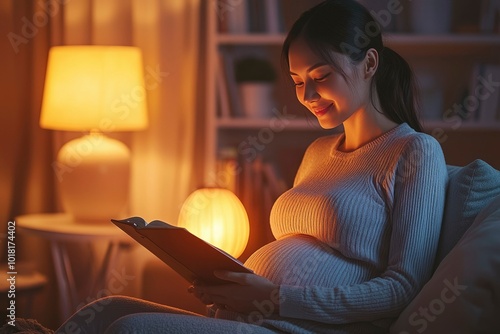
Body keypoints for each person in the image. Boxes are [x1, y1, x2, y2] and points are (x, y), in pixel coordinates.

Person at [56, 0, 447, 333]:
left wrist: (274, 297)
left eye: (321, 76)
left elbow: (403, 288)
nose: (307, 95)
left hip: (296, 325)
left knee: (129, 329)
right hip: (255, 317)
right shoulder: (318, 152)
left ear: (370, 63)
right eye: (296, 81)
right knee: (101, 312)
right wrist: (229, 279)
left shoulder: (415, 152)